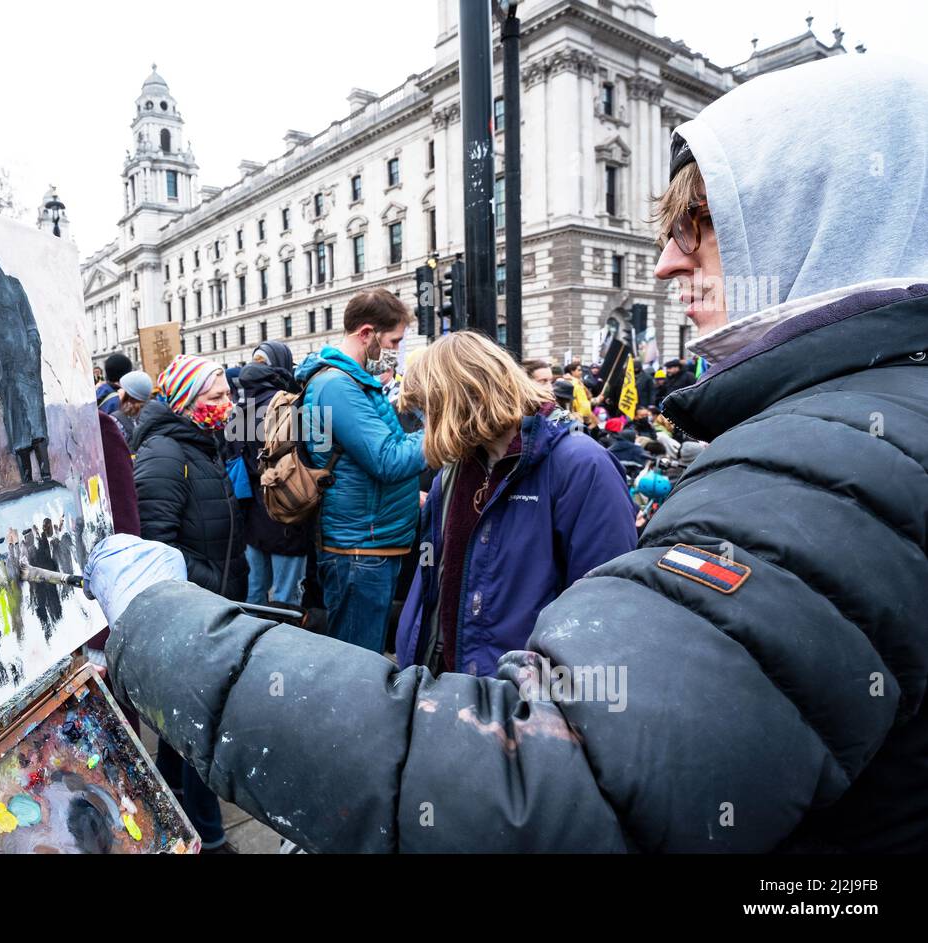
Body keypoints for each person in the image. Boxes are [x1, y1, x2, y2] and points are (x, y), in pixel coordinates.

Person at [82, 54, 928, 853]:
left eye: (699, 226)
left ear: (819, 219)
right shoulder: (823, 433)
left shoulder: (813, 469)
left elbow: (555, 772)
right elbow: (436, 592)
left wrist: (170, 625)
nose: (668, 262)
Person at [395, 332, 637, 676]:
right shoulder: (454, 470)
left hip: (525, 701)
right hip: (451, 687)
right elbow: (433, 579)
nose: (425, 424)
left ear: (464, 398)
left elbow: (605, 606)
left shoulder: (582, 466)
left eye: (429, 410)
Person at [129, 352, 246, 853]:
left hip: (210, 606)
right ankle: (211, 839)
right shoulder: (163, 455)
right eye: (217, 397)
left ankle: (167, 805)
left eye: (227, 394)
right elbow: (157, 544)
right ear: (188, 402)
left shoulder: (200, 446)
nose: (230, 404)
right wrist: (210, 584)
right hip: (192, 611)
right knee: (205, 730)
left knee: (181, 731)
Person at [293, 289, 427, 654]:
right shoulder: (337, 385)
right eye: (394, 340)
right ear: (366, 333)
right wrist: (443, 430)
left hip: (369, 542)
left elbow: (361, 461)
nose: (397, 351)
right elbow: (386, 460)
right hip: (360, 549)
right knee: (357, 663)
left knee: (360, 657)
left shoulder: (350, 381)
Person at [0, 240, 50, 484]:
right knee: (16, 425)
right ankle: (27, 480)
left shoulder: (14, 285)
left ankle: (46, 475)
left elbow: (30, 322)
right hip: (4, 367)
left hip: (26, 362)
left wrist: (34, 349)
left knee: (35, 421)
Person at [236, 341, 309, 607]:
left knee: (254, 594)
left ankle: (249, 647)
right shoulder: (290, 406)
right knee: (285, 598)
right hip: (287, 513)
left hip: (251, 515)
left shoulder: (239, 408)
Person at [112, 369, 152, 445]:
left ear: (130, 394)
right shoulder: (155, 412)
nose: (118, 391)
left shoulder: (116, 420)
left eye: (122, 388)